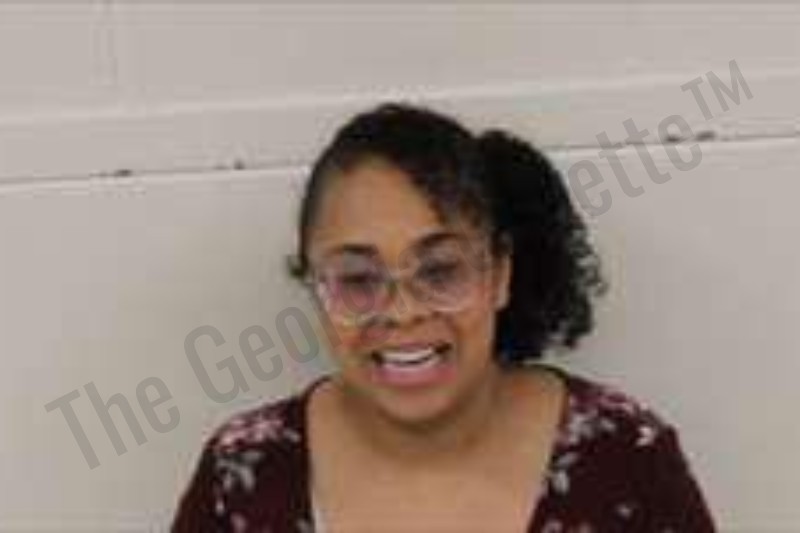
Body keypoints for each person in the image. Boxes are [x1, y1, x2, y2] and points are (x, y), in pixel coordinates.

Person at [171, 103, 716, 532]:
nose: (402, 312)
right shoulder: (242, 473)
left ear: (499, 275)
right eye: (358, 279)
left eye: (440, 271)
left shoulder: (627, 458)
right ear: (316, 288)